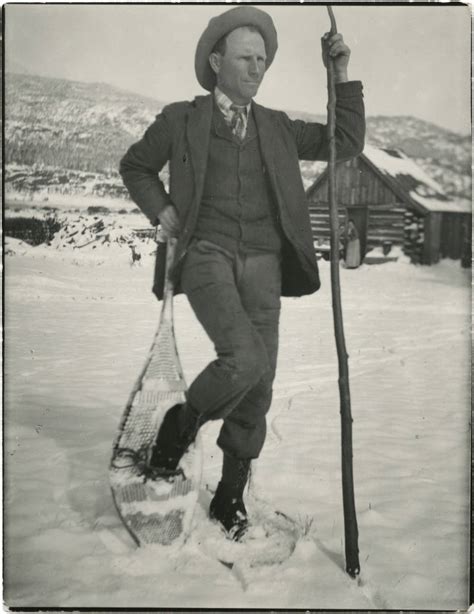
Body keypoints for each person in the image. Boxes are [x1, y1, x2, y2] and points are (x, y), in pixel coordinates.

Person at [119, 6, 365, 541]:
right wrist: (161, 207)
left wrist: (340, 73)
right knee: (244, 357)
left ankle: (230, 494)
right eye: (245, 58)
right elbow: (135, 165)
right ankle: (179, 427)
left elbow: (344, 142)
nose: (257, 68)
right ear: (216, 62)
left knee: (260, 383)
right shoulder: (181, 119)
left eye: (262, 60)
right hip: (205, 251)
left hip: (264, 262)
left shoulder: (277, 127)